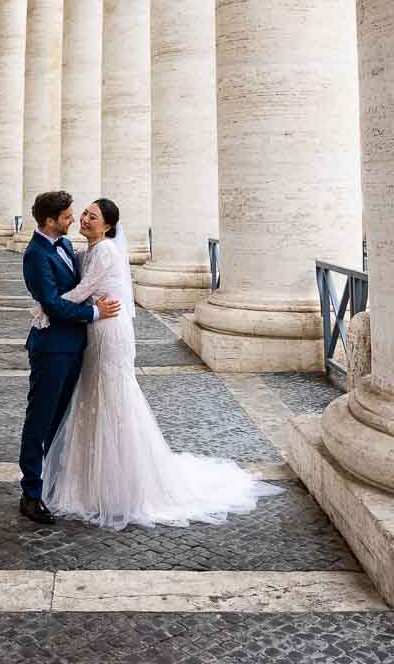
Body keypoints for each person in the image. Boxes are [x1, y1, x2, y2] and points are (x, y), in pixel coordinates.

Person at [41, 198, 281, 529]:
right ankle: (92, 480)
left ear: (108, 226)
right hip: (97, 327)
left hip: (109, 329)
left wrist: (45, 308)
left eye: (92, 217)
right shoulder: (92, 249)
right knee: (95, 394)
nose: (84, 219)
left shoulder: (107, 251)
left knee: (112, 395)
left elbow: (83, 289)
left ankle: (118, 485)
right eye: (83, 213)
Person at [18, 190, 121, 525]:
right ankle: (31, 494)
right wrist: (93, 313)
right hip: (51, 349)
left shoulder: (63, 246)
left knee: (62, 419)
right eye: (67, 216)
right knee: (40, 420)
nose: (73, 220)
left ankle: (55, 482)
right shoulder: (35, 254)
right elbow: (51, 303)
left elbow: (90, 276)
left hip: (76, 346)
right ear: (50, 220)